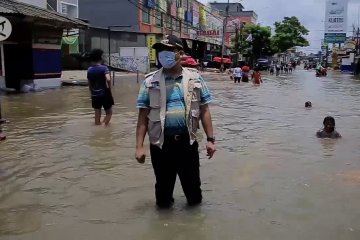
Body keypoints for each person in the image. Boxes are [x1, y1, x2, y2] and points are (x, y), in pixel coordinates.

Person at [135, 35, 216, 209]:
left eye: (168, 51)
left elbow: (204, 110)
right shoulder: (150, 81)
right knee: (163, 195)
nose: (163, 55)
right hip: (160, 145)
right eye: (160, 51)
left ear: (180, 53)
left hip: (188, 143)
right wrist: (139, 147)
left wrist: (210, 140)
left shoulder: (195, 79)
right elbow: (143, 116)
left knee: (193, 192)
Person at [87, 49, 114, 126]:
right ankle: (104, 126)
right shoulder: (104, 68)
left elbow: (89, 83)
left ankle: (97, 126)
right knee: (109, 113)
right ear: (100, 58)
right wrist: (109, 88)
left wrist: (91, 92)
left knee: (97, 113)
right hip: (104, 93)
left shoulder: (89, 69)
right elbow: (108, 79)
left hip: (94, 94)